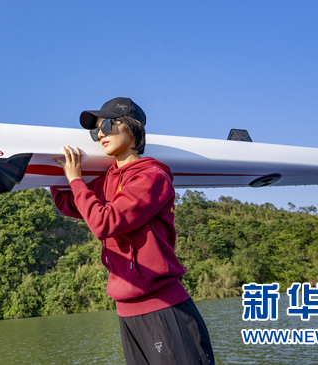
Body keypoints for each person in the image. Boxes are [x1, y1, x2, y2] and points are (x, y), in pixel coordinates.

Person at [52, 97, 214, 365]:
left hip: (164, 308)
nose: (100, 134)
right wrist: (51, 173)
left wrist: (76, 179)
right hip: (127, 314)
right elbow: (68, 203)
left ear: (133, 127)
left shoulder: (151, 177)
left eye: (107, 125)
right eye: (95, 131)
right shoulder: (106, 181)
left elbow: (104, 223)